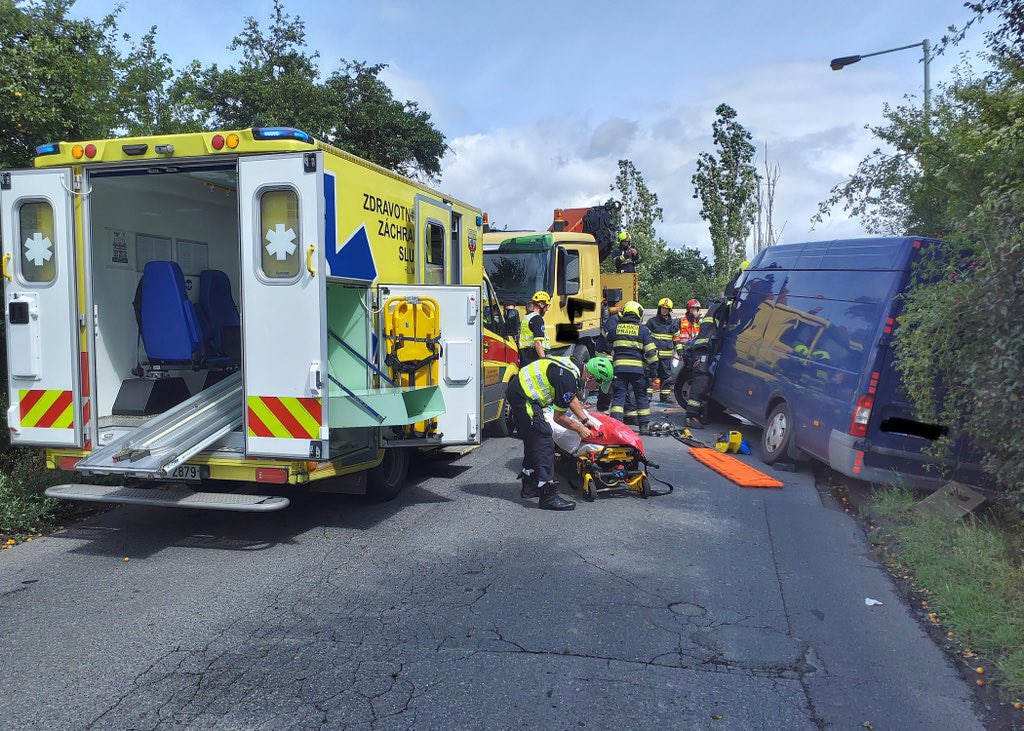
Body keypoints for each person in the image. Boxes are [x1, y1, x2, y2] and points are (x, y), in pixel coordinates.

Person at [506, 356, 615, 511]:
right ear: (590, 376)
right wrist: (579, 429)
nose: (594, 387)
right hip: (524, 396)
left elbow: (571, 398)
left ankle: (530, 486)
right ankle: (547, 495)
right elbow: (559, 418)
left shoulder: (573, 366)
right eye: (596, 384)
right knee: (544, 439)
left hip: (519, 390)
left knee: (533, 438)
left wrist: (584, 420)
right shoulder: (568, 378)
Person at [610, 300, 658, 434]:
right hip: (638, 371)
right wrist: (654, 368)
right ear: (638, 314)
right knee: (641, 396)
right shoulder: (643, 330)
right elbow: (651, 352)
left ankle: (617, 427)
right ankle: (643, 427)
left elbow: (604, 349)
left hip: (619, 370)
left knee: (619, 396)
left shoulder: (614, 329)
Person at [645, 297, 681, 402]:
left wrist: (680, 352)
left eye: (666, 308)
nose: (664, 310)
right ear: (659, 308)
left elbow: (676, 340)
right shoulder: (652, 322)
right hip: (654, 356)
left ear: (669, 310)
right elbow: (645, 338)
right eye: (662, 308)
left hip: (666, 356)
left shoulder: (673, 324)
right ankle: (648, 396)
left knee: (666, 377)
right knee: (651, 375)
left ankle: (665, 396)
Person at [518, 291, 551, 366]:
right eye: (547, 306)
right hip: (534, 357)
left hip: (526, 356)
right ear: (541, 304)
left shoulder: (526, 317)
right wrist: (543, 360)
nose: (547, 309)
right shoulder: (537, 319)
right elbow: (537, 343)